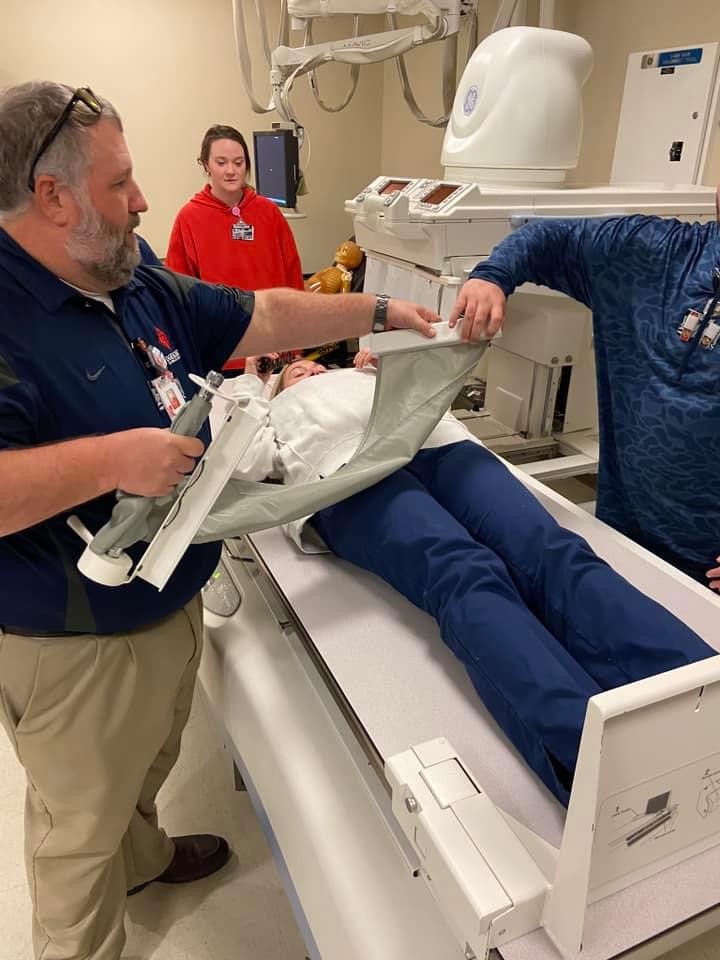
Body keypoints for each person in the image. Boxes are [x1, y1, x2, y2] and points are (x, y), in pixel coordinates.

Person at [0, 81, 441, 960]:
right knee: (75, 833)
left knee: (148, 761)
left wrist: (382, 312)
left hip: (166, 594)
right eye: (121, 183)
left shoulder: (125, 273)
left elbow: (262, 314)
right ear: (52, 198)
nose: (144, 201)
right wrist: (113, 460)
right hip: (72, 640)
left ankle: (145, 855)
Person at [222, 351, 716, 806]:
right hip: (345, 475)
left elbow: (439, 371)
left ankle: (701, 691)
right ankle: (594, 761)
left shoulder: (364, 374)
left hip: (437, 442)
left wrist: (391, 365)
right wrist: (251, 382)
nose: (307, 371)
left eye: (313, 366)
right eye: (294, 373)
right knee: (462, 571)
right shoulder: (272, 410)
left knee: (554, 552)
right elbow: (243, 459)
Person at [447, 211, 720, 592]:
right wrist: (491, 277)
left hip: (708, 570)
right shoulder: (656, 251)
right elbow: (547, 236)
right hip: (624, 536)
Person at [166, 123, 304, 291]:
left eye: (238, 163)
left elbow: (293, 274)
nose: (231, 171)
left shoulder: (269, 212)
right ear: (206, 165)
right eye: (221, 163)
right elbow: (178, 290)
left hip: (270, 315)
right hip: (217, 317)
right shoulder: (189, 218)